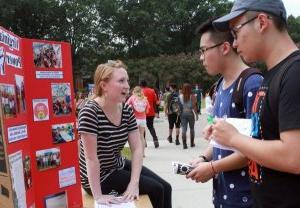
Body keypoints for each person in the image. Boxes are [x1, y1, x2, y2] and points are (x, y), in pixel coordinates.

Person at [211, 0, 300, 207]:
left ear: (261, 22)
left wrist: (233, 138)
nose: (234, 43)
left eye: (235, 32)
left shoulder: (294, 74)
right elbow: (265, 136)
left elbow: (294, 157)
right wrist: (225, 133)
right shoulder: (271, 76)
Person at [186, 18, 263, 208]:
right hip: (222, 196)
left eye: (204, 50)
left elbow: (256, 150)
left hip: (246, 199)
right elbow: (221, 140)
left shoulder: (252, 84)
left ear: (225, 47)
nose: (201, 58)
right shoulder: (220, 86)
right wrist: (203, 158)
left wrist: (211, 168)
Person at [78, 60, 172, 208]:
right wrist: (97, 195)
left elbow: (137, 148)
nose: (127, 86)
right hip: (100, 177)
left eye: (127, 80)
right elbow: (91, 159)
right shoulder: (90, 112)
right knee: (157, 190)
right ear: (103, 86)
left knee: (166, 187)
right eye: (121, 81)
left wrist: (134, 183)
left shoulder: (126, 110)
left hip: (116, 164)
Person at [126, 86, 150, 157]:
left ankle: (135, 153)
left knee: (134, 137)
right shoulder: (145, 99)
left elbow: (126, 106)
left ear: (134, 91)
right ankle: (143, 153)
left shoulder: (132, 98)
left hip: (135, 119)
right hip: (143, 119)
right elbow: (147, 110)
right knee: (142, 136)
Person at [140, 80, 159, 148]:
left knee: (142, 128)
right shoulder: (152, 91)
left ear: (141, 85)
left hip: (142, 112)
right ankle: (155, 139)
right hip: (151, 112)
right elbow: (155, 102)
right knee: (151, 127)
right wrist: (156, 111)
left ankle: (144, 142)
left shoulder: (140, 92)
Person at [179, 83, 198, 149]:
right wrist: (196, 114)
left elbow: (179, 106)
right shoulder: (192, 96)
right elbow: (195, 106)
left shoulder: (180, 96)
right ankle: (192, 143)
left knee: (184, 129)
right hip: (190, 113)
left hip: (183, 113)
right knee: (192, 128)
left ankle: (184, 144)